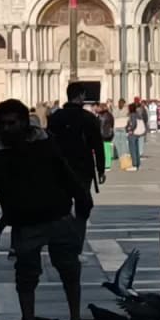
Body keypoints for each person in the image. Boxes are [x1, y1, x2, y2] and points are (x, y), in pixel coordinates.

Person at [0, 99, 92, 320]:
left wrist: (82, 199)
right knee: (26, 276)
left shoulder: (45, 142)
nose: (7, 128)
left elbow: (64, 171)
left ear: (24, 122)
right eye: (3, 124)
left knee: (69, 270)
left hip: (57, 215)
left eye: (12, 123)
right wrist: (2, 224)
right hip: (26, 221)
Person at [47, 83, 106, 243]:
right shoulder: (89, 118)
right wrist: (101, 169)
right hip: (83, 168)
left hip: (59, 168)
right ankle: (77, 241)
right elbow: (97, 145)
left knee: (61, 206)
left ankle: (62, 240)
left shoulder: (56, 117)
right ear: (81, 96)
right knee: (82, 205)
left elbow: (48, 143)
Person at [126, 102, 143, 170]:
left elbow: (133, 124)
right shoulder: (137, 114)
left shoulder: (132, 115)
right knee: (136, 149)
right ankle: (137, 163)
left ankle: (134, 164)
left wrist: (129, 129)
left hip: (132, 133)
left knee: (132, 149)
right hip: (136, 133)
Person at [113, 98, 130, 162]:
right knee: (116, 142)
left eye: (122, 103)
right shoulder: (115, 109)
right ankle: (118, 154)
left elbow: (127, 118)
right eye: (120, 102)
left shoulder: (126, 110)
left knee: (123, 142)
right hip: (116, 127)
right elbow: (114, 117)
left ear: (124, 104)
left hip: (123, 128)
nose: (121, 104)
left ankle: (123, 155)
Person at [99, 103, 115, 169]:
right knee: (107, 149)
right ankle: (107, 164)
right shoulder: (110, 115)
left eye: (99, 107)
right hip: (109, 134)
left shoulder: (103, 116)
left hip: (104, 134)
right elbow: (112, 124)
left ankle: (107, 165)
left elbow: (101, 126)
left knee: (105, 150)